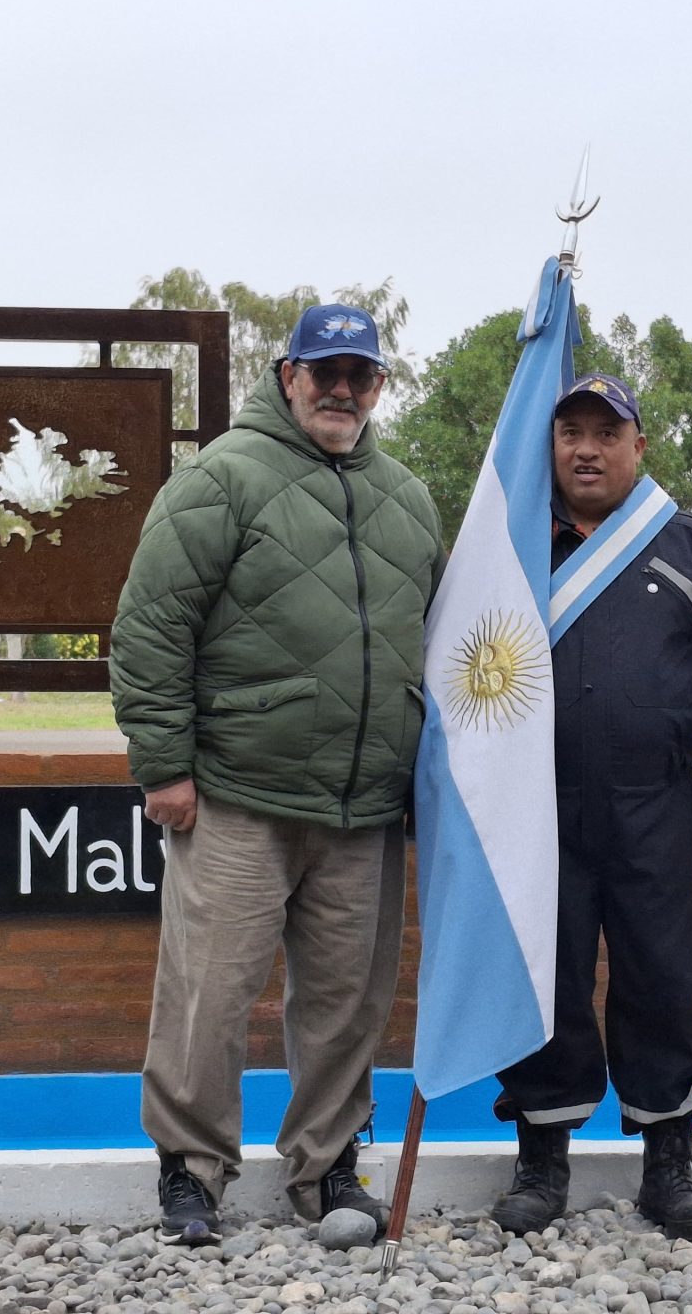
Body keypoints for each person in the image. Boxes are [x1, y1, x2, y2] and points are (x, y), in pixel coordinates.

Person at [110, 302, 444, 1245]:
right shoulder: (222, 475)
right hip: (236, 795)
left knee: (347, 1003)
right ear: (287, 373)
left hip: (365, 805)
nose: (342, 389)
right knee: (208, 994)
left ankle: (328, 1170)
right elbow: (151, 627)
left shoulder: (408, 498)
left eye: (361, 375)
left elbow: (444, 643)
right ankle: (191, 1172)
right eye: (325, 371)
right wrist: (164, 766)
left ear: (379, 386)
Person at [488, 373, 692, 1242]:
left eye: (607, 434)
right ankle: (541, 1161)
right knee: (546, 978)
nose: (587, 449)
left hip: (656, 805)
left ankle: (668, 1167)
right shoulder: (509, 545)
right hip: (538, 811)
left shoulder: (686, 545)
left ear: (639, 446)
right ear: (551, 446)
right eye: (570, 432)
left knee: (664, 977)